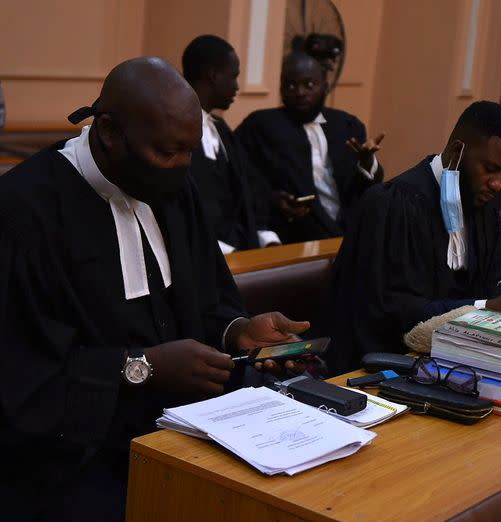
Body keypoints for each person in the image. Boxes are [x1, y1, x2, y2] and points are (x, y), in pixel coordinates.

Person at [0, 57, 309, 522]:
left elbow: (200, 299)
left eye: (189, 152)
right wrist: (141, 368)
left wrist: (236, 330)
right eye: (168, 152)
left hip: (186, 423)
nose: (182, 168)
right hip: (79, 455)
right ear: (108, 132)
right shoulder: (25, 211)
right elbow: (23, 376)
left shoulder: (171, 186)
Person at [323, 101, 501, 375]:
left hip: (459, 363)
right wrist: (484, 307)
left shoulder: (483, 210)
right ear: (456, 151)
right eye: (489, 168)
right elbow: (392, 312)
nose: (497, 184)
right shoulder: (391, 205)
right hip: (382, 370)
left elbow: (498, 283)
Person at [235, 50, 385, 243]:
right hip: (293, 233)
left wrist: (367, 164)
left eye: (309, 85)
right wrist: (271, 199)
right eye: (290, 85)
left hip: (350, 231)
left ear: (325, 87)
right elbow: (241, 179)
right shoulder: (260, 125)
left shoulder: (347, 125)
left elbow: (365, 190)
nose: (299, 92)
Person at [182, 34, 280, 253]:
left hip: (241, 248)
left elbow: (245, 194)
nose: (237, 87)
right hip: (203, 253)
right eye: (234, 76)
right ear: (214, 75)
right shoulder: (176, 134)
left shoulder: (222, 129)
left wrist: (264, 236)